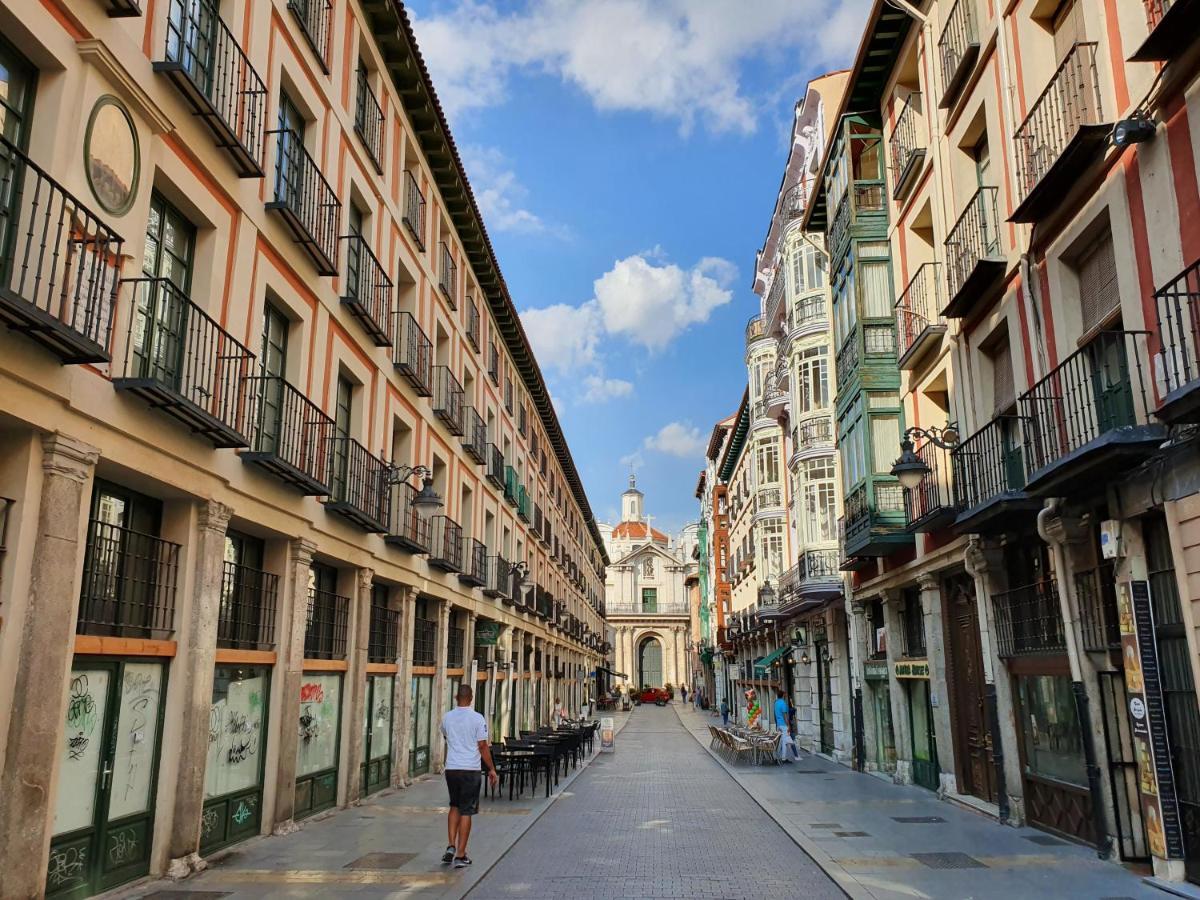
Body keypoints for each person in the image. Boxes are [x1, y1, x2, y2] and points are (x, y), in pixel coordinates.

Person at [440, 684, 498, 868]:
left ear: (456, 697)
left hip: (452, 769)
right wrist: (491, 769)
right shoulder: (477, 718)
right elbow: (482, 746)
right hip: (470, 770)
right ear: (471, 698)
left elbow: (445, 736)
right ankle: (461, 854)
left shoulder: (447, 717)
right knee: (467, 810)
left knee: (454, 806)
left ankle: (450, 845)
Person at [775, 688, 800, 762]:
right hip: (783, 725)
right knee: (784, 742)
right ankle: (783, 758)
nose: (785, 696)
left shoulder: (776, 703)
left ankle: (777, 756)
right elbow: (785, 715)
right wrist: (788, 725)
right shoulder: (783, 703)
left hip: (779, 725)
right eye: (784, 695)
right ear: (782, 695)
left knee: (780, 742)